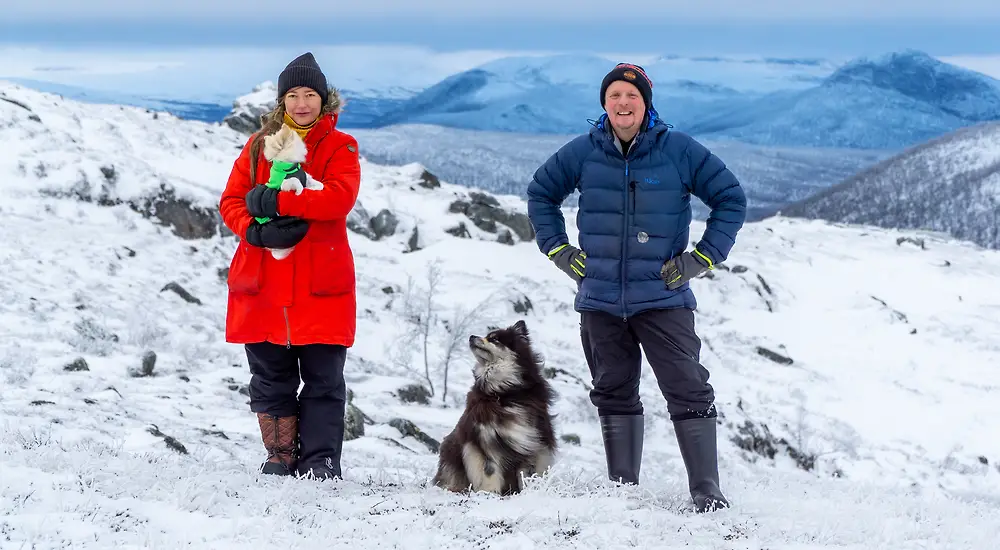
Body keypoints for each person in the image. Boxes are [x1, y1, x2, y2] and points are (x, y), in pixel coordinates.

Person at [526, 63, 746, 512]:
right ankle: (621, 489)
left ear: (646, 103)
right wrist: (559, 251)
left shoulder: (679, 151)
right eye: (614, 97)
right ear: (604, 104)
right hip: (600, 298)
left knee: (688, 388)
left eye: (631, 96)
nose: (623, 104)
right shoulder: (584, 152)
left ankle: (706, 490)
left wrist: (701, 257)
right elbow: (541, 194)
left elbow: (730, 198)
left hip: (662, 297)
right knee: (613, 390)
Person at [219, 52, 362, 480]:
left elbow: (338, 198)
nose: (302, 103)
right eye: (294, 95)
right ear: (282, 101)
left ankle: (320, 462)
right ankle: (280, 456)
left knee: (323, 380)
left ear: (325, 99)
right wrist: (254, 231)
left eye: (310, 95)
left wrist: (280, 200)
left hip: (320, 286)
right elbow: (231, 201)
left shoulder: (341, 146)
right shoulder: (258, 146)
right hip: (263, 284)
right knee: (269, 377)